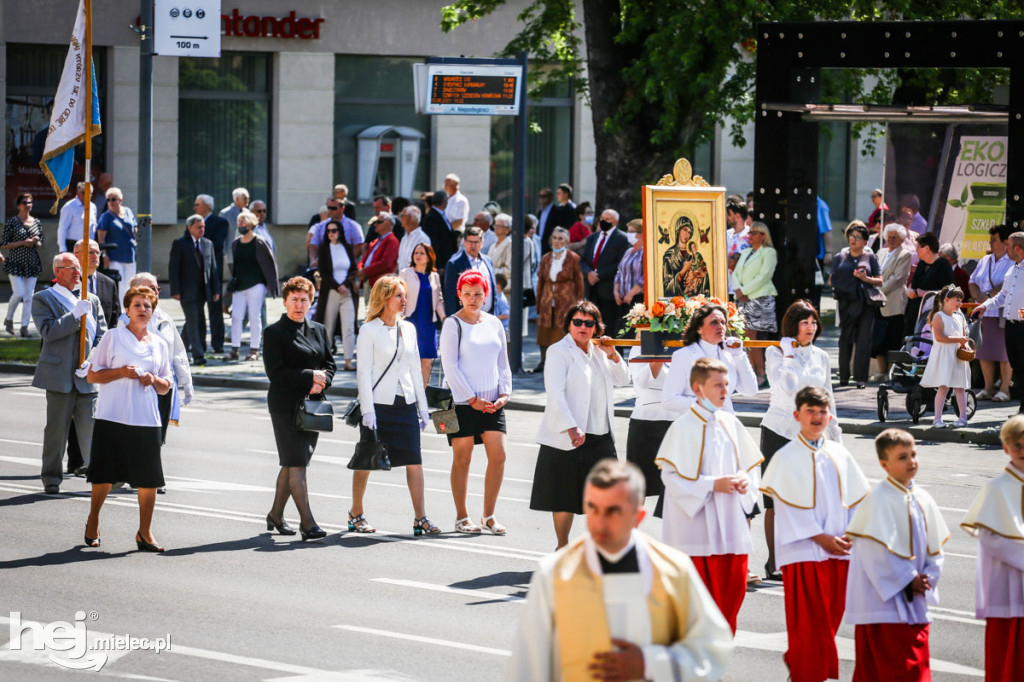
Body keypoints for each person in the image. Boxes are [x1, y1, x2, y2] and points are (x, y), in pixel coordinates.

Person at [508, 459, 734, 682]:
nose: (600, 524)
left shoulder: (673, 571)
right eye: (592, 509)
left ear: (639, 516)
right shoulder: (555, 574)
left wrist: (649, 664)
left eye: (613, 511)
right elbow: (529, 664)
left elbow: (711, 647)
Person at [760, 387, 871, 682]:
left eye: (822, 412)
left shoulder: (839, 452)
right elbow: (788, 509)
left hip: (839, 552)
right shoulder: (786, 457)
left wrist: (850, 535)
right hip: (804, 554)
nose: (817, 417)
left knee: (830, 622)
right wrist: (821, 538)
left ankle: (802, 667)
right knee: (811, 625)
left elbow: (856, 500)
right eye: (810, 411)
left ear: (830, 415)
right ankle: (805, 674)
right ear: (797, 415)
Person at [656, 357, 764, 633]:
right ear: (698, 388)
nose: (725, 390)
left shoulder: (730, 422)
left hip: (730, 525)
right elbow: (670, 476)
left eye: (727, 384)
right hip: (696, 531)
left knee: (732, 595)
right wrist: (710, 485)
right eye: (718, 385)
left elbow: (750, 467)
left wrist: (743, 482)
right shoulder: (682, 427)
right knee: (698, 610)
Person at [845, 428, 948, 682]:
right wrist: (908, 580)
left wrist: (928, 577)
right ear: (884, 464)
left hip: (915, 601)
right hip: (884, 605)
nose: (911, 462)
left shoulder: (923, 497)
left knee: (916, 668)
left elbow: (935, 548)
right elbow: (873, 553)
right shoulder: (877, 500)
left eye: (913, 454)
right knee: (894, 671)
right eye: (902, 457)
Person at [531, 300, 630, 548]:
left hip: (600, 434)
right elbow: (555, 393)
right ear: (569, 324)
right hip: (570, 435)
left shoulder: (599, 351)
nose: (583, 327)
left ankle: (602, 546)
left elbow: (623, 380)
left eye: (589, 323)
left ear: (597, 327)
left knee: (607, 496)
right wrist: (571, 425)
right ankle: (562, 545)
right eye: (577, 322)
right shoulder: (558, 351)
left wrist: (612, 354)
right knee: (565, 496)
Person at [84, 286, 172, 551]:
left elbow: (166, 385)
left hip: (146, 419)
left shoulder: (159, 344)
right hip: (113, 416)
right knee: (105, 474)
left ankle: (144, 533)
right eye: (137, 305)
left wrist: (152, 379)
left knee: (149, 478)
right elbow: (92, 376)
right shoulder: (113, 337)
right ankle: (93, 520)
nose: (143, 310)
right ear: (127, 310)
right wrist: (121, 372)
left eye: (148, 306)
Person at [761, 300, 841, 580]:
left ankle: (802, 557)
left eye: (814, 322)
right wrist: (788, 354)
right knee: (775, 501)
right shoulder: (774, 352)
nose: (811, 327)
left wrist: (835, 435)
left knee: (806, 498)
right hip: (778, 431)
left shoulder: (821, 355)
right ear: (792, 325)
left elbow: (828, 396)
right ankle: (774, 562)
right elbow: (787, 388)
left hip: (809, 436)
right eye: (804, 322)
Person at [353, 275, 438, 535]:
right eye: (399, 295)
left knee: (414, 460)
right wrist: (367, 410)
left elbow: (414, 369)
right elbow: (364, 373)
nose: (404, 299)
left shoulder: (408, 329)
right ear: (384, 298)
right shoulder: (369, 330)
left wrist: (422, 407)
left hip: (405, 404)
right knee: (366, 461)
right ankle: (356, 512)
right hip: (378, 406)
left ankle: (420, 517)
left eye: (405, 295)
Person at [439, 271, 512, 535]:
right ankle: (461, 517)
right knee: (463, 458)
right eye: (467, 294)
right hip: (461, 402)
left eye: (478, 294)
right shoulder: (452, 324)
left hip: (493, 402)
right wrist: (471, 399)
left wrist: (504, 394)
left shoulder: (494, 323)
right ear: (459, 295)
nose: (472, 299)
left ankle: (489, 516)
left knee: (499, 455)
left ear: (486, 295)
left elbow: (503, 362)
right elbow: (450, 366)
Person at [262, 277, 335, 542]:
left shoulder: (318, 329)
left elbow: (329, 362)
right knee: (297, 463)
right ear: (284, 301)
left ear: (311, 301)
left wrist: (322, 379)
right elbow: (276, 373)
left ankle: (276, 515)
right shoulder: (273, 332)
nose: (299, 304)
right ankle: (308, 523)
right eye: (294, 299)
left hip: (312, 405)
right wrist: (310, 376)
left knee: (293, 462)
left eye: (304, 299)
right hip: (284, 406)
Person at [32, 253, 107, 494]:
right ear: (58, 272)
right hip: (59, 376)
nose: (77, 272)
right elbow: (49, 332)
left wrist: (93, 358)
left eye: (78, 268)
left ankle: (100, 474)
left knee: (92, 429)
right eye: (71, 268)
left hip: (87, 375)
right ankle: (51, 478)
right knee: (56, 432)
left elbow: (103, 334)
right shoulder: (43, 299)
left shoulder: (91, 299)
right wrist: (74, 315)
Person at [961, 414, 1024, 681]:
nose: (1023, 450)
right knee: (1007, 659)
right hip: (1008, 588)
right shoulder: (997, 488)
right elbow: (992, 538)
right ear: (1006, 448)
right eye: (1017, 445)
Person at [124, 272, 194, 446]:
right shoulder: (124, 319)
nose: (155, 291)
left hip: (163, 383)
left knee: (158, 436)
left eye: (157, 288)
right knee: (139, 435)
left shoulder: (165, 318)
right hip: (138, 385)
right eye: (150, 287)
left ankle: (151, 470)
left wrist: (187, 382)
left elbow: (177, 351)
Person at [660, 303, 757, 416]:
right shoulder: (683, 356)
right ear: (699, 328)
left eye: (723, 322)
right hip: (696, 424)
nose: (721, 326)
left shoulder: (729, 355)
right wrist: (705, 403)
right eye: (714, 322)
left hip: (725, 424)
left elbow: (750, 391)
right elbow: (669, 400)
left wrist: (739, 355)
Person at [973, 231, 1024, 414]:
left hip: (1022, 325)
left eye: (1009, 246)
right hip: (1011, 325)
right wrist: (985, 306)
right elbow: (1003, 295)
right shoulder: (1013, 269)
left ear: (1017, 248)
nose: (1006, 249)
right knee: (1017, 366)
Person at [830, 221, 881, 388]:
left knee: (863, 340)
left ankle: (861, 378)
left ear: (865, 242)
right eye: (852, 236)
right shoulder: (840, 256)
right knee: (845, 340)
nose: (854, 240)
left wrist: (865, 278)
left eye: (858, 238)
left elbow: (880, 281)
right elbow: (832, 278)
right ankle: (844, 376)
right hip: (846, 303)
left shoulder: (870, 257)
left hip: (865, 303)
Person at [224, 210, 279, 362]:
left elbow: (269, 264)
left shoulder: (260, 242)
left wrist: (270, 284)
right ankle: (234, 350)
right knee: (236, 317)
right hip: (240, 285)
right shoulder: (236, 243)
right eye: (238, 223)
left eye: (242, 222)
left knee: (255, 317)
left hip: (256, 284)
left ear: (249, 224)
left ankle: (254, 350)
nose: (239, 225)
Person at [969, 224, 1014, 401]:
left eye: (994, 239)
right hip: (984, 312)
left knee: (1004, 352)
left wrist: (987, 295)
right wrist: (977, 295)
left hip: (1001, 312)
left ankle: (1005, 389)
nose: (990, 242)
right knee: (983, 350)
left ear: (1005, 242)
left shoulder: (1013, 261)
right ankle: (988, 388)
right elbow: (972, 281)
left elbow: (1006, 285)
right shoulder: (985, 260)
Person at [625, 344, 674, 505]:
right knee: (637, 487)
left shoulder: (685, 347)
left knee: (675, 488)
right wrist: (658, 353)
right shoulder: (639, 348)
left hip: (676, 423)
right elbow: (642, 382)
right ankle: (631, 529)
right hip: (644, 422)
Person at [733, 221, 778, 387]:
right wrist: (739, 290)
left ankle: (760, 372)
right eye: (749, 233)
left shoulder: (769, 252)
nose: (749, 236)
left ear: (763, 236)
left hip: (760, 298)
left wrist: (745, 291)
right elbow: (736, 273)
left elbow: (764, 276)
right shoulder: (746, 252)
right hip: (744, 299)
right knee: (744, 337)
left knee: (751, 337)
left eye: (753, 233)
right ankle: (752, 371)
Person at [533, 228, 584, 374]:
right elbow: (541, 281)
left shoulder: (573, 258)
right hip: (547, 299)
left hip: (566, 300)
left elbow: (579, 282)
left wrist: (579, 305)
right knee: (545, 331)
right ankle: (544, 361)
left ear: (566, 241)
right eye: (554, 238)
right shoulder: (546, 258)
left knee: (562, 330)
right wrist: (539, 302)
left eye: (560, 238)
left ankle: (564, 363)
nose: (557, 241)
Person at [169, 214, 217, 366]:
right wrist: (175, 290)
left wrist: (215, 290)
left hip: (204, 290)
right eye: (198, 227)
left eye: (203, 227)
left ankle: (177, 349)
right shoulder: (180, 244)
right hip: (186, 290)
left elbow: (213, 268)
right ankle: (198, 355)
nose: (202, 229)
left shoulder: (208, 244)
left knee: (198, 321)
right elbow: (174, 268)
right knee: (193, 321)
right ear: (190, 228)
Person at [921, 285, 971, 429]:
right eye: (957, 300)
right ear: (946, 299)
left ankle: (963, 417)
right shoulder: (938, 317)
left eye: (961, 301)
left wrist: (965, 345)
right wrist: (959, 339)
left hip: (957, 356)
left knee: (960, 387)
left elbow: (963, 336)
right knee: (943, 387)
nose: (960, 304)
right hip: (944, 356)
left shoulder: (959, 317)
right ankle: (937, 419)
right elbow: (940, 337)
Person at [870, 223, 914, 379]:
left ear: (901, 239)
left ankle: (891, 372)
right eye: (889, 236)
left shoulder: (904, 254)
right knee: (878, 339)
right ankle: (881, 372)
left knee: (892, 339)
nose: (891, 240)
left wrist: (876, 291)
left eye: (894, 237)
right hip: (878, 303)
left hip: (894, 303)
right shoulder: (880, 252)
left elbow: (897, 279)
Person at [315, 218, 359, 371]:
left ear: (340, 233)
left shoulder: (346, 247)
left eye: (334, 231)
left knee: (349, 327)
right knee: (328, 327)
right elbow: (323, 273)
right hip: (331, 292)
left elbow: (353, 269)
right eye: (328, 231)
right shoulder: (324, 249)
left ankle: (348, 360)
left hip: (346, 293)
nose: (331, 234)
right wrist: (337, 286)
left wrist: (345, 285)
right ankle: (325, 362)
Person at [400, 243, 445, 386]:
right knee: (409, 360)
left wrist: (445, 319)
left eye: (422, 253)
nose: (418, 256)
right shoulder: (406, 273)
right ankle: (408, 396)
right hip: (410, 321)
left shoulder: (434, 276)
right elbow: (399, 297)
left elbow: (438, 300)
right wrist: (397, 320)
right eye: (416, 253)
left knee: (426, 361)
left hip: (428, 323)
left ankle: (422, 396)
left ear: (429, 257)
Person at [581, 208, 630, 334]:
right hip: (591, 289)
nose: (604, 221)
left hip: (609, 290)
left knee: (609, 328)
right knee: (592, 325)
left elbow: (621, 263)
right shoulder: (592, 238)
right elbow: (583, 260)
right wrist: (588, 273)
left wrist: (599, 275)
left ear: (615, 222)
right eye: (602, 218)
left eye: (607, 219)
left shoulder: (622, 239)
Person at [2, 192, 44, 337]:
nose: (28, 205)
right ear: (19, 205)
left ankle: (24, 327)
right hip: (15, 263)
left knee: (29, 297)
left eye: (30, 202)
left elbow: (41, 244)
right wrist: (22, 243)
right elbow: (4, 244)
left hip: (32, 263)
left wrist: (36, 241)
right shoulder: (12, 222)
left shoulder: (36, 222)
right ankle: (9, 319)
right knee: (19, 293)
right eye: (25, 203)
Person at [192, 195, 227, 355]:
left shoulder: (220, 223)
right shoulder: (192, 221)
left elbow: (218, 244)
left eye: (197, 204)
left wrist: (200, 239)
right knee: (197, 310)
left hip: (213, 273)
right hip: (196, 274)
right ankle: (199, 345)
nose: (195, 208)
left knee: (215, 310)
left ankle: (218, 344)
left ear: (206, 206)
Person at [905, 231, 954, 336]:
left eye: (918, 247)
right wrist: (909, 290)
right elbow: (913, 284)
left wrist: (924, 293)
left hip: (930, 314)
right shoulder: (922, 263)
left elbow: (950, 291)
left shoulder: (943, 266)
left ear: (927, 248)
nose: (916, 250)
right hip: (914, 311)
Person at [443, 226, 497, 316]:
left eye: (476, 242)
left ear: (482, 243)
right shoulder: (454, 264)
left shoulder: (488, 261)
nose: (473, 245)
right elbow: (450, 297)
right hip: (466, 318)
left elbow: (493, 290)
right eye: (470, 242)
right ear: (464, 243)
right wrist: (454, 320)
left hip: (488, 316)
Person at [96, 187, 138, 301]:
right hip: (114, 256)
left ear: (120, 200)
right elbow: (101, 238)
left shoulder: (128, 211)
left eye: (113, 199)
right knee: (119, 285)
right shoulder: (106, 217)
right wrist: (104, 256)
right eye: (108, 199)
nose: (110, 202)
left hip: (130, 254)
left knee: (130, 285)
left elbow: (134, 227)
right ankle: (119, 312)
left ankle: (129, 310)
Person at [74, 239, 121, 328]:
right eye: (90, 252)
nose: (95, 256)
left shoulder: (109, 284)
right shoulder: (69, 281)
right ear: (76, 255)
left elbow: (115, 316)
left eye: (97, 252)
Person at [357, 213, 400, 300]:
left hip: (380, 284)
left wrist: (365, 272)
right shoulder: (375, 241)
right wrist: (360, 268)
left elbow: (385, 263)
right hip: (369, 281)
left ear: (389, 224)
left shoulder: (392, 241)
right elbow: (365, 259)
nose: (375, 224)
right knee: (369, 311)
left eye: (379, 222)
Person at [613, 218, 645, 321]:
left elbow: (645, 277)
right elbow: (619, 272)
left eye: (631, 232)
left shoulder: (646, 252)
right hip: (623, 300)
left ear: (640, 234)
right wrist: (616, 291)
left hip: (638, 300)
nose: (628, 234)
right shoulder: (628, 251)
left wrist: (630, 294)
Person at [421, 190, 457, 272]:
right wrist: (438, 265)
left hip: (447, 261)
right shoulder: (431, 218)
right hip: (440, 264)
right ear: (444, 201)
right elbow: (434, 243)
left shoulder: (441, 214)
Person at [56, 182, 97, 253]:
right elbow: (63, 228)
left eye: (90, 193)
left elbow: (94, 226)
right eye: (84, 193)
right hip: (73, 244)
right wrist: (62, 248)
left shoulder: (93, 207)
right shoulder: (70, 206)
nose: (87, 195)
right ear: (78, 193)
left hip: (89, 244)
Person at [397, 205, 431, 276]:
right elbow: (400, 261)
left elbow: (422, 263)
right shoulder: (404, 238)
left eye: (402, 215)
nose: (400, 218)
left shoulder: (422, 238)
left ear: (409, 218)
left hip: (415, 279)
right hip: (402, 279)